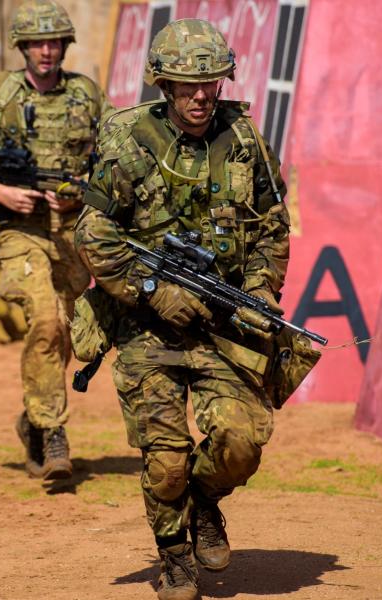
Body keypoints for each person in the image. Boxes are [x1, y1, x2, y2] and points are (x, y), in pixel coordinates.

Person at [74, 19, 291, 600]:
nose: (200, 96)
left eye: (211, 83)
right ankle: (173, 555)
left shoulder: (245, 141)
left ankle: (205, 505)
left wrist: (263, 290)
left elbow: (272, 229)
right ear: (162, 84)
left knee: (242, 444)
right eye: (186, 85)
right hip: (148, 325)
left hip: (221, 324)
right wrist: (153, 292)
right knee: (165, 460)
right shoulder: (128, 141)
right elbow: (93, 234)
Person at [0, 0, 109, 482]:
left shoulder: (87, 96)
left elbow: (117, 159)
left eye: (54, 42)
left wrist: (79, 192)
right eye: (37, 42)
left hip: (71, 233)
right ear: (22, 47)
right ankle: (54, 433)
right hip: (17, 232)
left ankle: (32, 419)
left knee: (72, 334)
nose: (47, 51)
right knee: (45, 318)